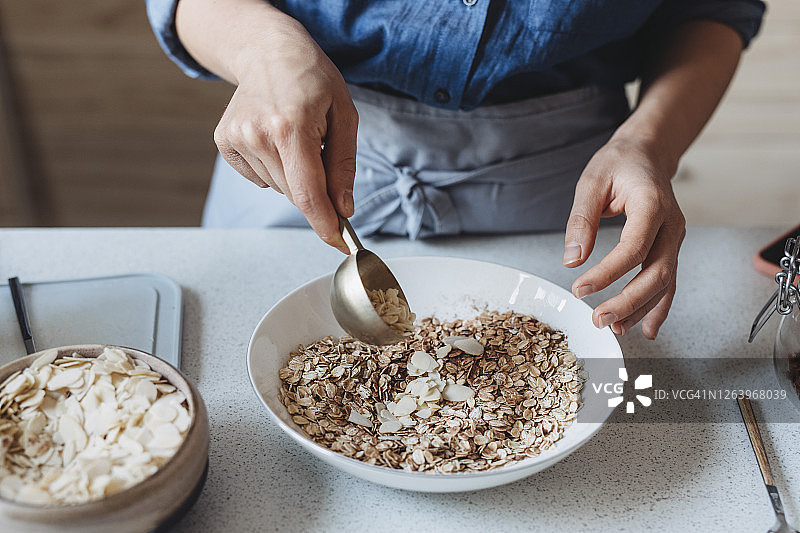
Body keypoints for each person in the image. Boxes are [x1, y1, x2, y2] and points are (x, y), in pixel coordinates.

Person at [146, 0, 765, 339]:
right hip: (294, 141)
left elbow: (710, 9)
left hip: (567, 184)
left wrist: (648, 146)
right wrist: (268, 51)